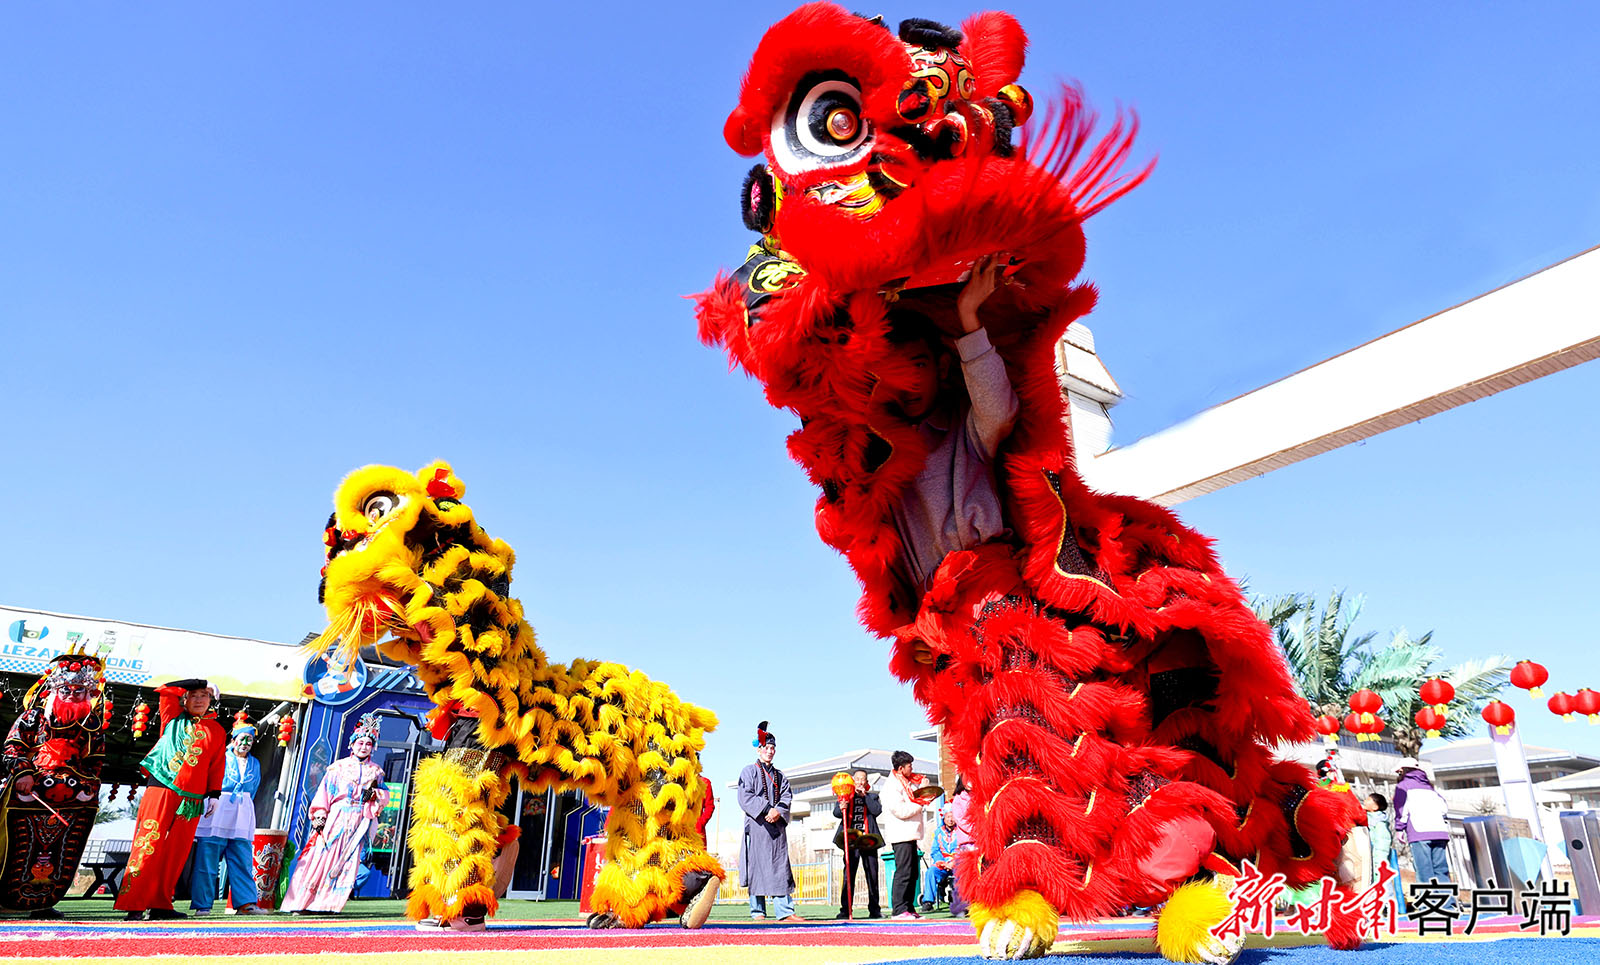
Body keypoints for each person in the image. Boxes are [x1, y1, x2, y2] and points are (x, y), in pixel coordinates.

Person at [886, 254, 1020, 597]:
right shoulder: (877, 452)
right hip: (930, 613)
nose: (908, 386)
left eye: (917, 366)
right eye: (895, 375)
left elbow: (999, 411)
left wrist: (968, 316)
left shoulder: (964, 426)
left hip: (992, 589)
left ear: (942, 367)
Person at [0, 653, 106, 918]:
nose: (71, 695)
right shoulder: (33, 717)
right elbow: (12, 748)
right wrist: (23, 773)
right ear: (54, 690)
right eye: (65, 690)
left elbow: (95, 762)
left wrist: (89, 786)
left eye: (79, 690)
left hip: (70, 800)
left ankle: (43, 902)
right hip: (29, 791)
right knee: (14, 847)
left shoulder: (91, 725)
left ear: (88, 692)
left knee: (59, 851)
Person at [116, 678, 228, 921]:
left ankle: (161, 904)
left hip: (194, 799)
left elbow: (217, 765)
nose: (199, 699)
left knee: (177, 853)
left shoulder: (218, 731)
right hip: (162, 789)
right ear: (185, 699)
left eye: (204, 695)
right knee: (148, 845)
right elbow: (166, 689)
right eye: (194, 695)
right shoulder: (172, 717)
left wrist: (214, 795)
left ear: (211, 701)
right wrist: (203, 681)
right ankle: (134, 903)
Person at [281, 714, 389, 915]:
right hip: (337, 817)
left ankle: (329, 905)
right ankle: (303, 903)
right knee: (321, 857)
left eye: (368, 743)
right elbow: (325, 792)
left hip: (359, 820)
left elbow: (385, 795)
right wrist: (320, 815)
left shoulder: (376, 772)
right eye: (360, 742)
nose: (363, 747)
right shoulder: (337, 767)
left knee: (348, 861)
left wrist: (374, 793)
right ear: (352, 744)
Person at [190, 716, 263, 915]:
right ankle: (203, 905)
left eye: (250, 740)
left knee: (242, 856)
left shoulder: (255, 763)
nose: (246, 743)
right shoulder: (220, 757)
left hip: (242, 810)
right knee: (208, 857)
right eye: (242, 739)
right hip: (219, 808)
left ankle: (246, 904)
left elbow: (254, 788)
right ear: (233, 740)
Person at [736, 721, 801, 922]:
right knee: (757, 867)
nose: (770, 751)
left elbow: (786, 796)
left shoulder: (780, 776)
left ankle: (785, 911)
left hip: (776, 827)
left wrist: (778, 812)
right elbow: (744, 796)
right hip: (757, 826)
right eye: (766, 748)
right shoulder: (748, 771)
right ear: (758, 750)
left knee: (780, 866)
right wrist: (766, 808)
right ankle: (758, 911)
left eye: (773, 748)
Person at [879, 749, 927, 919]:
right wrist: (921, 803)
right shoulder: (891, 787)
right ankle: (898, 909)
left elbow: (917, 796)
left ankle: (908, 906)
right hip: (901, 834)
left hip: (910, 833)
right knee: (904, 872)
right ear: (900, 768)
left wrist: (924, 788)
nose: (911, 769)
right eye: (909, 766)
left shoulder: (906, 783)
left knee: (913, 873)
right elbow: (901, 811)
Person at [1394, 759, 1454, 889]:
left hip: (1419, 832)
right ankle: (1447, 905)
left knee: (1424, 871)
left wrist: (1399, 829)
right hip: (1439, 832)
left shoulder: (1403, 786)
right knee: (1441, 871)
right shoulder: (1429, 787)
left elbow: (1401, 809)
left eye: (1399, 772)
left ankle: (1429, 904)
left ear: (1403, 770)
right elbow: (1444, 808)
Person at [833, 769, 882, 920]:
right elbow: (836, 813)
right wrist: (843, 804)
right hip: (851, 840)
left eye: (863, 779)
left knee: (872, 875)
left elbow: (876, 811)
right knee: (848, 875)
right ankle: (845, 909)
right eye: (858, 779)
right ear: (853, 781)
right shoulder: (845, 795)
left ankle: (875, 909)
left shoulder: (873, 796)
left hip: (868, 839)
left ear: (866, 783)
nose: (860, 782)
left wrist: (865, 796)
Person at [1365, 792, 1405, 914]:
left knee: (1382, 880)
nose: (1365, 801)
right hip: (1371, 855)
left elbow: (1383, 841)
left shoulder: (1379, 822)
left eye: (1368, 800)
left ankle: (1388, 904)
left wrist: (1379, 858)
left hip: (1378, 856)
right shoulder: (1369, 818)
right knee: (1372, 881)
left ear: (1375, 807)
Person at [920, 807, 959, 911]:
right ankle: (928, 901)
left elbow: (965, 848)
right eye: (948, 817)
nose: (951, 819)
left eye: (953, 816)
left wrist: (953, 862)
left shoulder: (961, 831)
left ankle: (961, 901)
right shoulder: (938, 832)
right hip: (942, 864)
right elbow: (935, 850)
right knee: (931, 872)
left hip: (958, 863)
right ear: (944, 818)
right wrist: (943, 862)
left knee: (963, 872)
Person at [947, 777, 974, 917]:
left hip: (979, 842)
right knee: (963, 877)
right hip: (966, 843)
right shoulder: (958, 799)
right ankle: (960, 906)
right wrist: (977, 830)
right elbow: (961, 820)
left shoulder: (979, 797)